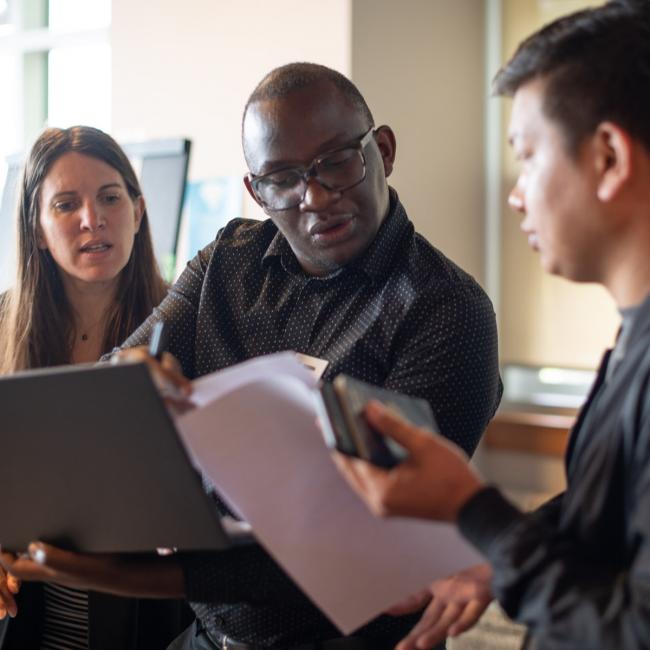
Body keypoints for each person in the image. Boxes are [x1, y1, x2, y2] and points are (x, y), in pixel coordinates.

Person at [0, 64, 502, 650]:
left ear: (383, 151)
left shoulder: (447, 311)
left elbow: (352, 549)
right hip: (211, 635)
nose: (314, 197)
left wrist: (105, 574)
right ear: (256, 192)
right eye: (283, 179)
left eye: (337, 162)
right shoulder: (226, 263)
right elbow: (116, 384)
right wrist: (127, 382)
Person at [332, 1, 650, 649]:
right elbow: (616, 523)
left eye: (528, 156)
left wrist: (474, 510)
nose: (514, 193)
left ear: (610, 157)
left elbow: (629, 632)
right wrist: (495, 553)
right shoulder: (632, 341)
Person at [0, 126, 189, 649]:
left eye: (110, 197)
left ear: (139, 208)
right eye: (65, 205)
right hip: (27, 620)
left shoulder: (185, 325)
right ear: (36, 229)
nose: (93, 219)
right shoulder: (3, 327)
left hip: (146, 622)